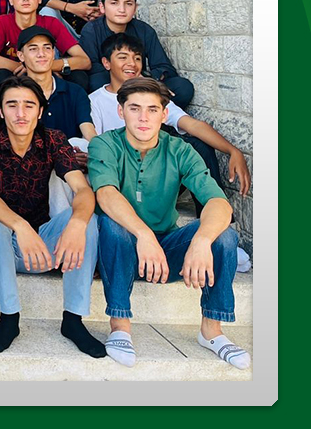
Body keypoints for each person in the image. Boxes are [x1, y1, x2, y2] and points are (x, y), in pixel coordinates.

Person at [88, 77, 249, 370]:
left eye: (152, 110)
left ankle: (212, 332)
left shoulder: (180, 150)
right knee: (112, 224)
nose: (143, 117)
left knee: (223, 236)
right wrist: (143, 234)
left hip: (166, 251)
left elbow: (218, 203)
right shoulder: (104, 144)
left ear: (164, 115)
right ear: (120, 110)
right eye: (135, 108)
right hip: (118, 251)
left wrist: (200, 241)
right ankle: (120, 325)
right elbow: (106, 194)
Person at [0, 77, 105, 359]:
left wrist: (77, 224)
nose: (21, 113)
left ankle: (74, 320)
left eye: (29, 105)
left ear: (40, 111)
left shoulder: (54, 139)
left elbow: (82, 189)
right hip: (5, 245)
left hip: (45, 247)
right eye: (12, 105)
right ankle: (9, 318)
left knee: (86, 217)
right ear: (1, 110)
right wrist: (21, 226)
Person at [89, 35, 250, 195]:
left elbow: (192, 125)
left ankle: (216, 211)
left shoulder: (152, 96)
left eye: (137, 58)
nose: (132, 63)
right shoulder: (95, 101)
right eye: (123, 57)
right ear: (106, 63)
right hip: (122, 175)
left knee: (198, 145)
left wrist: (233, 151)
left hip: (156, 171)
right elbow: (94, 146)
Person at [79, 0, 195, 106]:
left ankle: (155, 120)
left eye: (128, 4)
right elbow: (93, 67)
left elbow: (164, 67)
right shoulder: (91, 30)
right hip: (111, 82)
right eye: (114, 3)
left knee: (182, 87)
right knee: (97, 81)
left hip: (141, 81)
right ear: (102, 7)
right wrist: (125, 76)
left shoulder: (144, 30)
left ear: (135, 8)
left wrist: (145, 77)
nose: (122, 9)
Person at [0, 0, 91, 89]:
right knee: (1, 75)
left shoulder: (51, 23)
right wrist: (27, 67)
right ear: (11, 0)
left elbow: (84, 60)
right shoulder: (1, 22)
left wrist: (45, 67)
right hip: (17, 75)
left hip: (47, 73)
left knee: (79, 76)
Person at [15, 27, 95, 144]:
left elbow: (88, 131)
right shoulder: (14, 93)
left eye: (47, 48)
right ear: (21, 55)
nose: (41, 54)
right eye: (33, 49)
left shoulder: (75, 92)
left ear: (53, 53)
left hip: (69, 158)